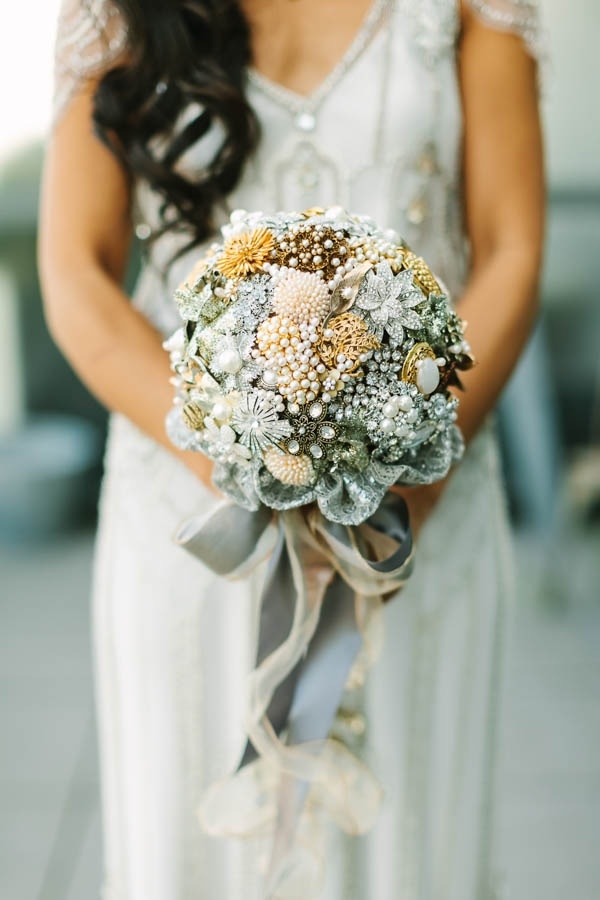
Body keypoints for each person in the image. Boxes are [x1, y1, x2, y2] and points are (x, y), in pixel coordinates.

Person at [39, 0, 545, 897]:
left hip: (422, 510)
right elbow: (75, 269)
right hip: (187, 515)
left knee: (415, 843)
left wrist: (406, 465)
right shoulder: (113, 11)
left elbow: (510, 249)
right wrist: (238, 463)